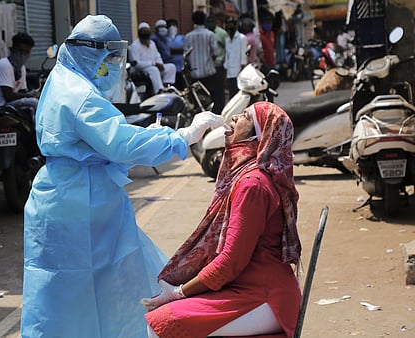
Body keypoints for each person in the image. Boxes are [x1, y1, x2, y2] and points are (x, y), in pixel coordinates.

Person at [20, 15, 223, 338]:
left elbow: (97, 141)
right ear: (92, 53)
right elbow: (121, 144)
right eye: (110, 57)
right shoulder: (80, 95)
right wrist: (181, 137)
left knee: (61, 291)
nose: (113, 66)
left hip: (62, 197)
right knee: (109, 284)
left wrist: (149, 135)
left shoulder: (63, 80)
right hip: (83, 206)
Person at [141, 101, 302, 338]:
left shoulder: (252, 185)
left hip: (265, 296)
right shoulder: (250, 177)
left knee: (161, 323)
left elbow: (230, 262)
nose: (235, 117)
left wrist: (180, 292)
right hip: (249, 288)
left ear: (259, 135)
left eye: (246, 116)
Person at [0, 32, 38, 124]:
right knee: (34, 103)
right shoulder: (4, 65)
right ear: (12, 50)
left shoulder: (22, 68)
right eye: (20, 51)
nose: (23, 55)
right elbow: (8, 96)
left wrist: (30, 94)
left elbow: (22, 92)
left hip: (9, 105)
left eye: (26, 52)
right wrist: (30, 96)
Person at [129, 22, 176, 94]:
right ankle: (159, 91)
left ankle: (168, 87)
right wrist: (153, 64)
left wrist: (161, 64)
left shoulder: (152, 43)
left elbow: (157, 55)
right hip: (141, 69)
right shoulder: (135, 46)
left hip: (154, 66)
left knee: (171, 67)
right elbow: (136, 63)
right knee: (154, 69)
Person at [184, 11, 218, 106]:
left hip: (194, 74)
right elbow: (215, 53)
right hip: (208, 72)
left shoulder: (188, 37)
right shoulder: (210, 35)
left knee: (197, 100)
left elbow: (185, 57)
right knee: (211, 97)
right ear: (204, 20)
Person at [206, 15, 229, 115]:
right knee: (210, 90)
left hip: (218, 65)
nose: (211, 22)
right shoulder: (205, 33)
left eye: (212, 21)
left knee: (220, 89)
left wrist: (224, 61)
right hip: (207, 67)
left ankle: (221, 111)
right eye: (209, 21)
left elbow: (227, 48)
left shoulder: (222, 33)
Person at [224, 17, 248, 100]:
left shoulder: (242, 38)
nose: (229, 27)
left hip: (238, 73)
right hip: (230, 73)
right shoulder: (227, 40)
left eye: (231, 25)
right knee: (231, 97)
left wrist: (241, 73)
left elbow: (243, 57)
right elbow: (227, 56)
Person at [166, 18, 185, 90]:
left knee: (181, 88)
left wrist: (171, 50)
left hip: (180, 68)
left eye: (174, 25)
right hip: (170, 69)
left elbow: (185, 49)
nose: (172, 27)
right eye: (170, 26)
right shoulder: (165, 39)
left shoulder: (181, 37)